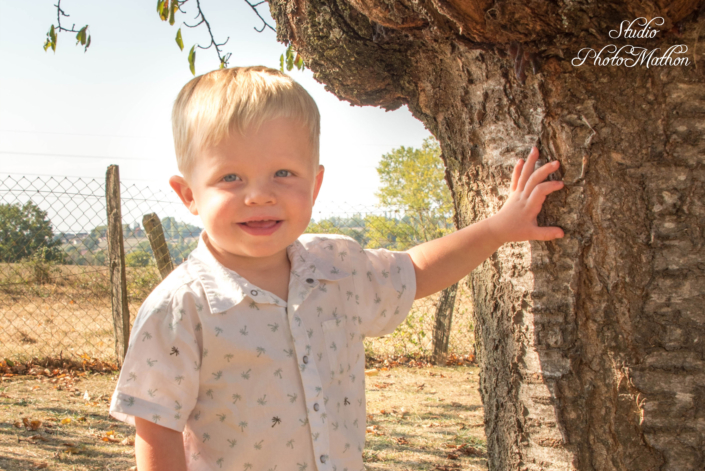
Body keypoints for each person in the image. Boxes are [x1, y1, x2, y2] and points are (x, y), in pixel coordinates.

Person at [108, 66, 564, 471]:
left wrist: (500, 227)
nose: (260, 195)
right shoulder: (180, 307)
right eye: (231, 177)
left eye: (283, 173)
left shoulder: (336, 267)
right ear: (188, 195)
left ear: (316, 183)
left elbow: (416, 271)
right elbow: (156, 429)